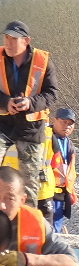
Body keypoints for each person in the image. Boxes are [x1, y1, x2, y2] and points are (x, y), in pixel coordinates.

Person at [0, 22, 56, 208]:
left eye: (13, 39)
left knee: (30, 183)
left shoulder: (43, 61)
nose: (8, 42)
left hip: (31, 129)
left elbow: (51, 94)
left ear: (26, 41)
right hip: (3, 125)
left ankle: (26, 226)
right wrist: (5, 102)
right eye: (6, 38)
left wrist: (30, 103)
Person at [44, 106, 71, 230]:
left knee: (56, 229)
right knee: (46, 230)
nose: (67, 126)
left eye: (70, 124)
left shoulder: (69, 143)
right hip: (45, 193)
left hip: (60, 195)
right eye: (64, 122)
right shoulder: (45, 137)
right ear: (54, 120)